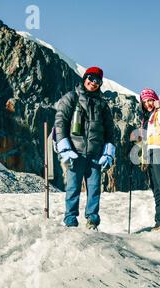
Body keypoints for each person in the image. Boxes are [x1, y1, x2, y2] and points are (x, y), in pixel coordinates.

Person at [54, 66, 115, 229]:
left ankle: (92, 220)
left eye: (97, 81)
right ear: (85, 78)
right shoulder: (71, 98)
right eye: (91, 78)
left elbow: (110, 130)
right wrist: (64, 148)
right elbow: (60, 123)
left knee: (94, 189)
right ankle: (70, 220)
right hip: (75, 153)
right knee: (73, 188)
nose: (93, 83)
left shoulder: (102, 105)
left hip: (95, 154)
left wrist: (108, 152)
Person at [132, 88, 160, 230]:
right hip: (150, 154)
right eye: (145, 102)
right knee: (156, 189)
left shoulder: (159, 113)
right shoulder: (146, 119)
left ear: (155, 99)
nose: (148, 104)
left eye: (150, 100)